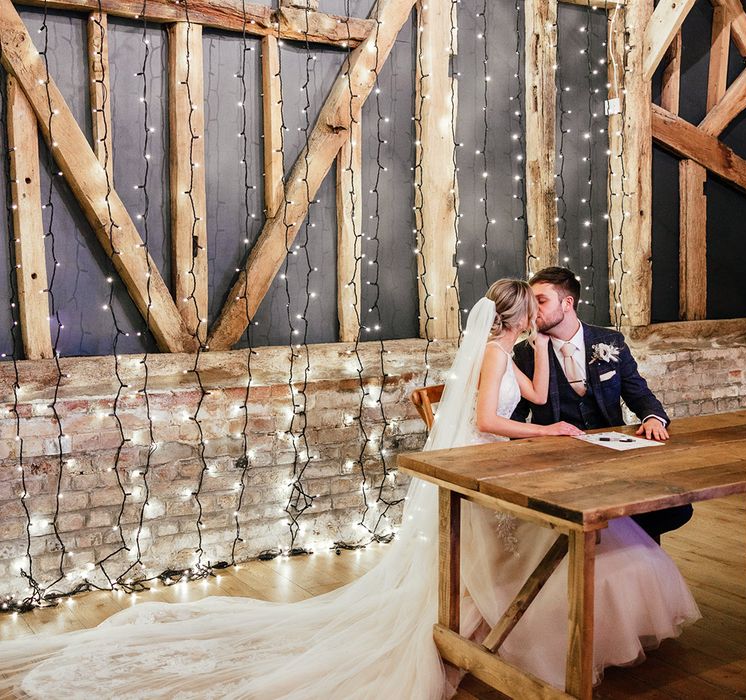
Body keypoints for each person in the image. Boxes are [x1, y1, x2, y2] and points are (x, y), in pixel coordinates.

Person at [0, 280, 699, 699]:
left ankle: (511, 633)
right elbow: (491, 420)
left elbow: (539, 394)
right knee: (554, 536)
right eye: (532, 314)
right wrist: (547, 438)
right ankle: (505, 640)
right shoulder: (490, 356)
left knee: (596, 534)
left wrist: (541, 353)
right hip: (490, 465)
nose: (536, 321)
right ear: (518, 316)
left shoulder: (516, 352)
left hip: (512, 464)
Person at [511, 267, 693, 542]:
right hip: (559, 464)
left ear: (567, 303)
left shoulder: (609, 341)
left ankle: (631, 554)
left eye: (541, 300)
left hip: (613, 454)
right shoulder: (525, 353)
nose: (532, 309)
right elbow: (515, 416)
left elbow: (637, 392)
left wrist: (653, 417)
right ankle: (619, 550)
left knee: (676, 508)